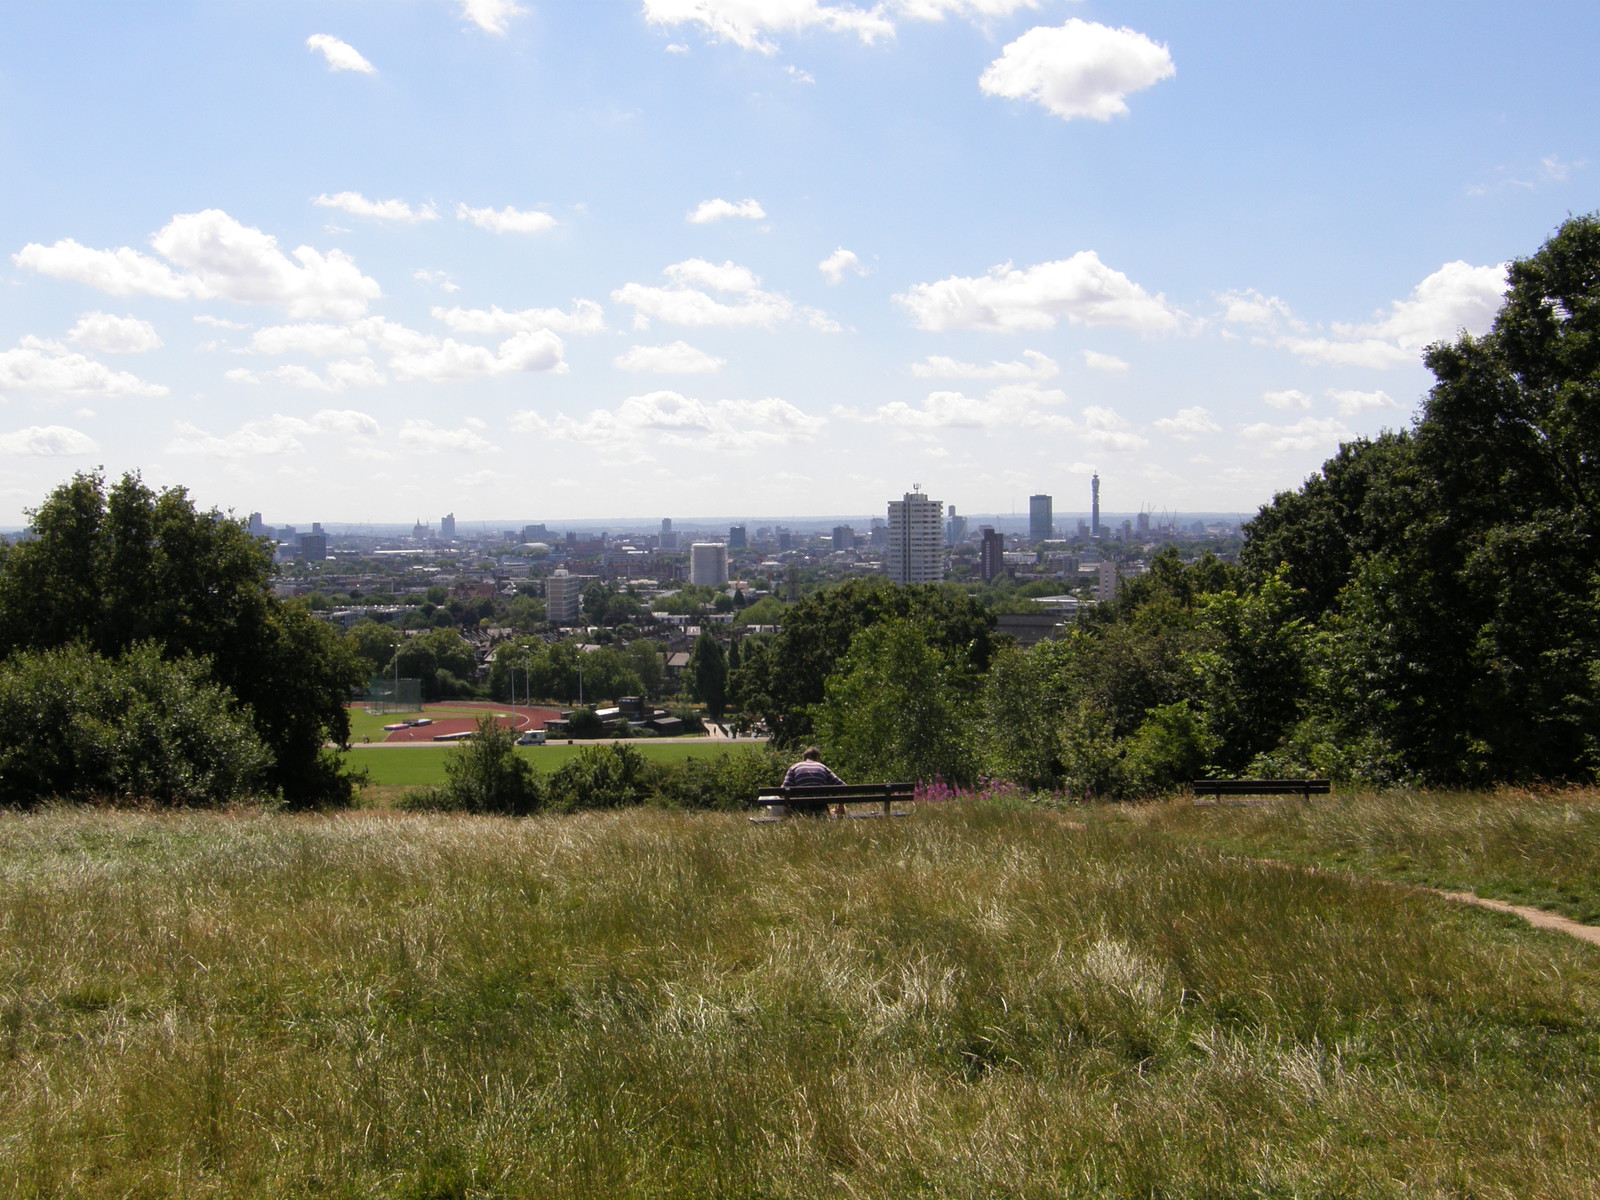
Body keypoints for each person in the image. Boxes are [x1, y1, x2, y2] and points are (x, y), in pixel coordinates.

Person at [782, 747, 847, 817]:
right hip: (820, 808)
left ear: (804, 758)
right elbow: (843, 787)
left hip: (800, 809)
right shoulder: (823, 768)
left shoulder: (794, 768)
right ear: (817, 757)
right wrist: (841, 806)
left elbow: (783, 790)